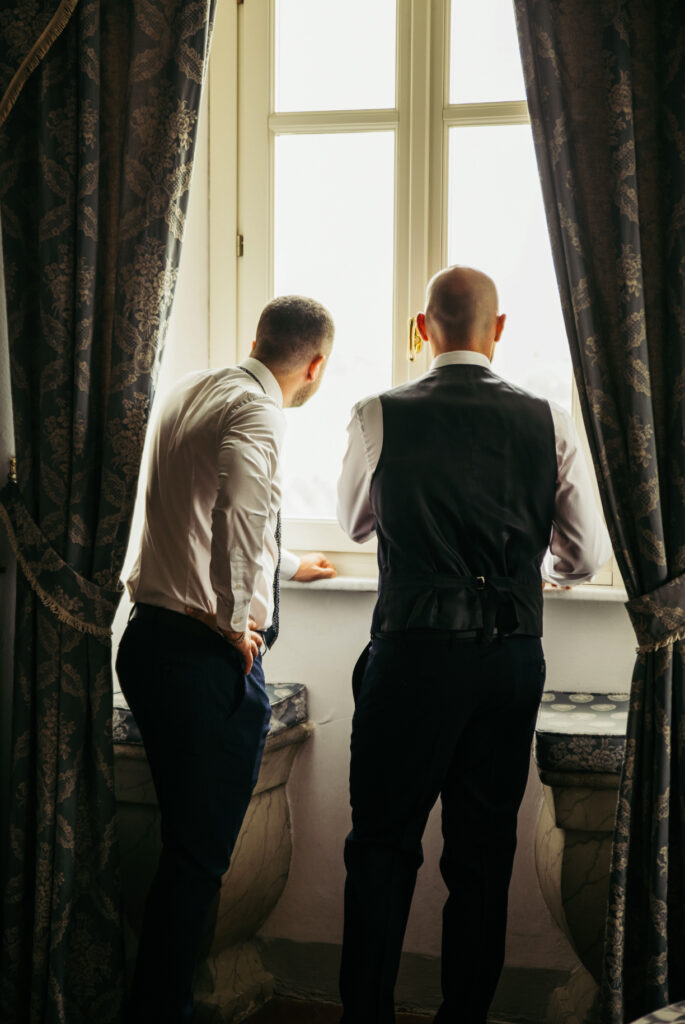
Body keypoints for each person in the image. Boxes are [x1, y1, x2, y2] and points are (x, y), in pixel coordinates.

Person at [336, 266, 611, 1024]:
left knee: (382, 848)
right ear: (497, 329)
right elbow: (583, 558)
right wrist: (534, 573)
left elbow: (355, 524)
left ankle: (364, 1017)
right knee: (481, 858)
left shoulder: (376, 412)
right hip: (508, 658)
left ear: (422, 330)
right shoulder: (546, 419)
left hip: (412, 656)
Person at [116, 295, 336, 1024]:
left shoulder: (195, 391)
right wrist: (239, 618)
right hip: (200, 656)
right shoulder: (260, 413)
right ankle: (161, 1012)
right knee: (199, 857)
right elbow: (241, 511)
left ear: (254, 339)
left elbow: (190, 505)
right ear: (315, 365)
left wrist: (291, 563)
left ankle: (154, 1003)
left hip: (147, 639)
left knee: (184, 847)